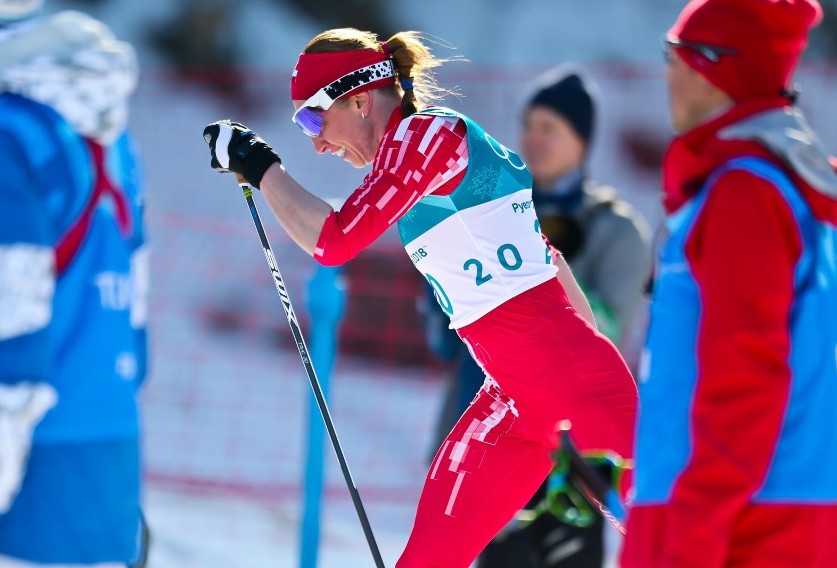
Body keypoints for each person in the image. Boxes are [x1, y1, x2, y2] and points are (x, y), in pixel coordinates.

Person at [202, 27, 638, 568]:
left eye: (312, 118)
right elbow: (546, 258)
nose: (315, 141)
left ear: (359, 99)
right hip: (513, 398)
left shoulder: (424, 138)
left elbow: (334, 241)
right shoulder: (415, 159)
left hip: (566, 384)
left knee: (678, 539)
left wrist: (259, 165)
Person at [621, 0, 837, 566]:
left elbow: (748, 377)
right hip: (763, 507)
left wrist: (693, 531)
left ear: (715, 67)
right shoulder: (778, 188)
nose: (667, 72)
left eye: (674, 54)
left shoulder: (744, 194)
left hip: (736, 522)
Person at [420, 67, 651, 568]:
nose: (535, 137)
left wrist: (539, 274)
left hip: (573, 450)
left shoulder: (614, 228)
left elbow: (607, 328)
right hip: (487, 421)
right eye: (529, 125)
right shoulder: (478, 209)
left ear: (582, 141)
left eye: (552, 127)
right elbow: (441, 338)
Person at [0, 2, 149, 566]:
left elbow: (9, 312)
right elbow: (136, 302)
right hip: (108, 433)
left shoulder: (8, 134)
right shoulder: (110, 133)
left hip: (26, 454)